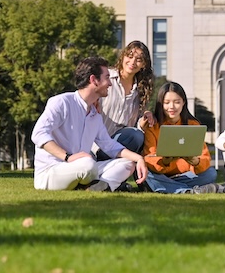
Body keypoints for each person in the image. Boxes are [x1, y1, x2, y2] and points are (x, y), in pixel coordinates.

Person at [31, 56, 148, 192]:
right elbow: (38, 134)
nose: (110, 84)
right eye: (107, 78)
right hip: (52, 171)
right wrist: (67, 157)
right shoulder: (62, 102)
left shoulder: (94, 115)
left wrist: (139, 159)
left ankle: (99, 187)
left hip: (82, 167)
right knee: (88, 164)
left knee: (128, 164)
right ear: (94, 80)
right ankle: (97, 184)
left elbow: (109, 145)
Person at [142, 81, 219, 194]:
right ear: (161, 104)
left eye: (177, 102)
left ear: (183, 102)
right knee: (146, 174)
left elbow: (205, 157)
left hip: (185, 175)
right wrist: (164, 161)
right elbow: (149, 158)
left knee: (211, 173)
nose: (171, 107)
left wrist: (195, 161)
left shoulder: (193, 125)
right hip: (161, 174)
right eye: (167, 102)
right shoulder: (153, 126)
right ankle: (188, 190)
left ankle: (172, 187)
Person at [95, 41, 156, 159]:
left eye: (138, 60)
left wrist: (144, 120)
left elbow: (134, 126)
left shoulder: (141, 90)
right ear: (123, 56)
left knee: (136, 135)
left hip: (120, 144)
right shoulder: (106, 78)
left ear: (143, 64)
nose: (132, 62)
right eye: (130, 56)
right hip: (97, 144)